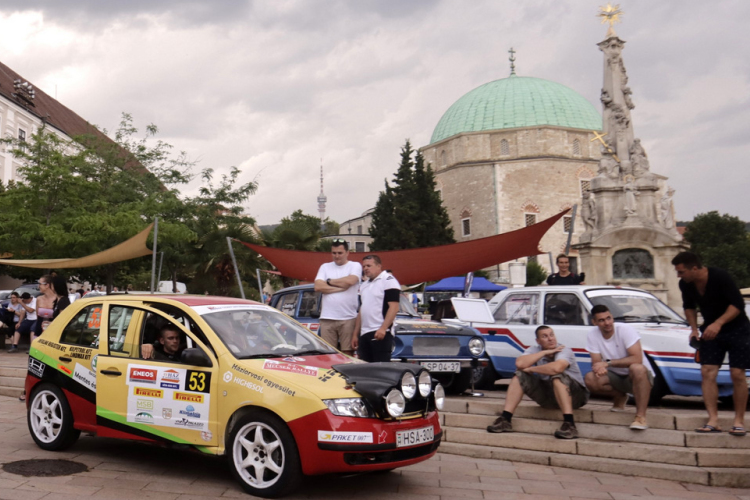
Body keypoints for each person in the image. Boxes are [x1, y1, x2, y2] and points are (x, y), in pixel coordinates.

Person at [672, 251, 750, 436]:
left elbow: (737, 304)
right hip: (709, 330)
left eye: (681, 271)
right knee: (707, 371)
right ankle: (713, 420)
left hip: (737, 328)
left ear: (695, 268)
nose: (679, 276)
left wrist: (718, 323)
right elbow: (689, 306)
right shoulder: (686, 284)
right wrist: (693, 329)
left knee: (737, 373)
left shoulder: (720, 276)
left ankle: (739, 421)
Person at [487, 325, 589, 439]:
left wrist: (532, 369)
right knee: (520, 374)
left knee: (557, 376)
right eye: (545, 336)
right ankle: (505, 419)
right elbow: (520, 364)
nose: (550, 339)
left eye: (551, 335)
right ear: (538, 341)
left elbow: (557, 368)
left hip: (576, 396)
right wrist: (544, 353)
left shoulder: (564, 350)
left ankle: (570, 424)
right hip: (549, 396)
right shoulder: (535, 350)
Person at [584, 304, 654, 430]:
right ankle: (620, 396)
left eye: (609, 318)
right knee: (590, 378)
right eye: (601, 320)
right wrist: (599, 368)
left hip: (639, 376)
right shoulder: (592, 334)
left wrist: (608, 363)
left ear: (612, 317)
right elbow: (596, 362)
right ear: (594, 322)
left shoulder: (625, 330)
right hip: (616, 376)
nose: (607, 323)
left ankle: (640, 416)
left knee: (637, 368)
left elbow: (637, 359)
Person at [314, 239, 362, 355]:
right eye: (334, 253)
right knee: (328, 353)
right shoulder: (325, 266)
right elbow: (318, 286)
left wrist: (329, 281)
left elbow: (350, 281)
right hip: (327, 317)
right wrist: (340, 288)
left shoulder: (355, 265)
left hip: (348, 317)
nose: (336, 256)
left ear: (347, 253)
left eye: (340, 253)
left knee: (348, 352)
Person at [352, 255, 400, 362]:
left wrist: (383, 328)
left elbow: (394, 307)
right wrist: (355, 334)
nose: (366, 268)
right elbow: (362, 310)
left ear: (379, 266)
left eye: (369, 266)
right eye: (364, 266)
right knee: (365, 366)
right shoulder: (364, 285)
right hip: (364, 333)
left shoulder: (388, 280)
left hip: (379, 331)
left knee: (380, 367)